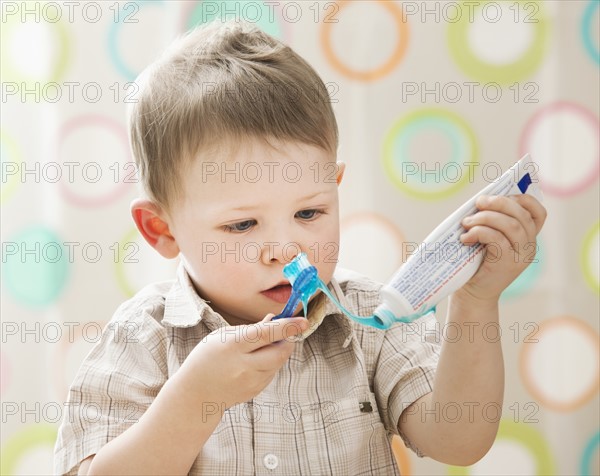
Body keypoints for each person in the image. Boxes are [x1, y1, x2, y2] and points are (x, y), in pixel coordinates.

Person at [54, 20, 547, 475]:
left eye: (309, 214)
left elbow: (458, 440)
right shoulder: (143, 338)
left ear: (335, 188)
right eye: (242, 224)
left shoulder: (369, 321)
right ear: (162, 230)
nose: (286, 250)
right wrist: (195, 397)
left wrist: (476, 300)